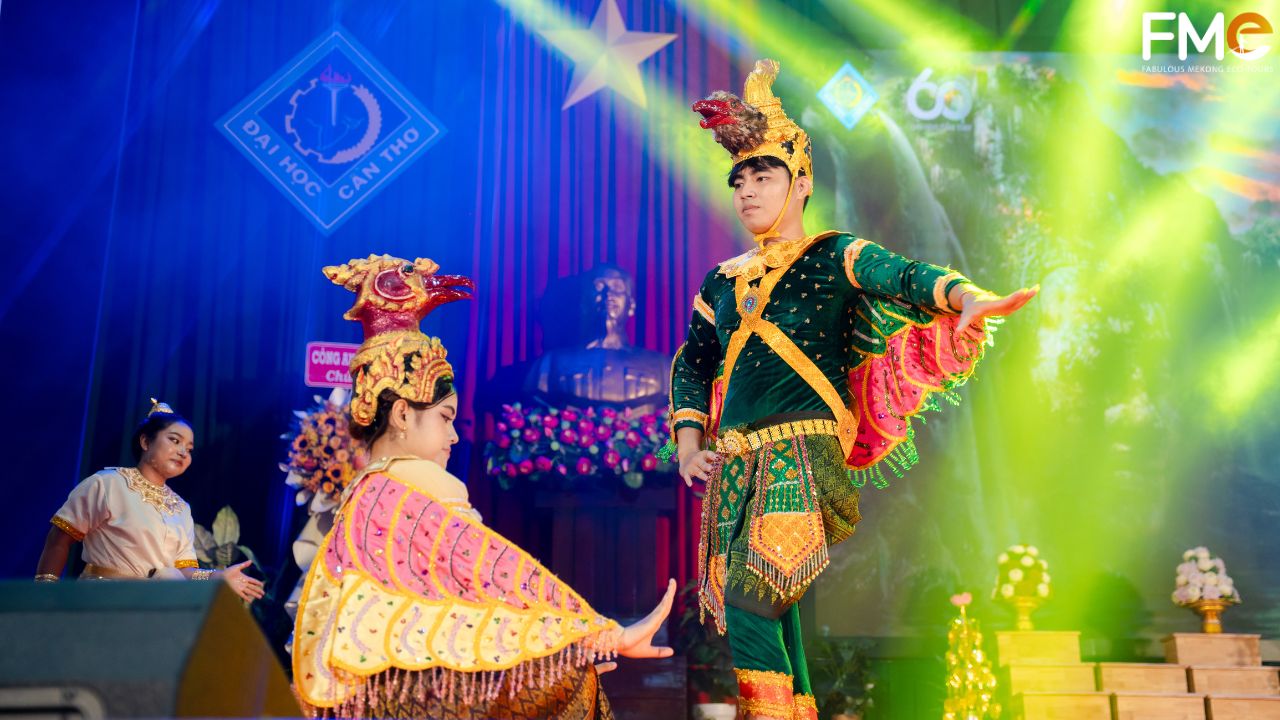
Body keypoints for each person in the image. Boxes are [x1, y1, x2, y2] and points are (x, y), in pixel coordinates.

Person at [671, 60, 1038, 719]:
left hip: (804, 458)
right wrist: (688, 441)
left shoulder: (835, 255)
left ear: (802, 183)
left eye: (764, 175)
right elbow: (694, 361)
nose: (748, 191)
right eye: (740, 180)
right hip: (734, 468)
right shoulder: (719, 282)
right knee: (771, 612)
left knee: (757, 598)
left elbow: (905, 275)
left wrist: (967, 298)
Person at [293, 254, 676, 719]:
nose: (455, 436)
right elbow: (502, 581)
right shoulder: (407, 495)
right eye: (445, 419)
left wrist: (569, 648)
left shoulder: (371, 496)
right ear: (400, 414)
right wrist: (600, 636)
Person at [35, 399, 264, 603]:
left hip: (154, 609)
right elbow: (59, 539)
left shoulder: (181, 508)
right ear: (146, 442)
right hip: (102, 602)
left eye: (189, 448)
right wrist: (43, 595)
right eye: (175, 440)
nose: (183, 452)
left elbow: (183, 571)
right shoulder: (107, 483)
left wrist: (218, 576)